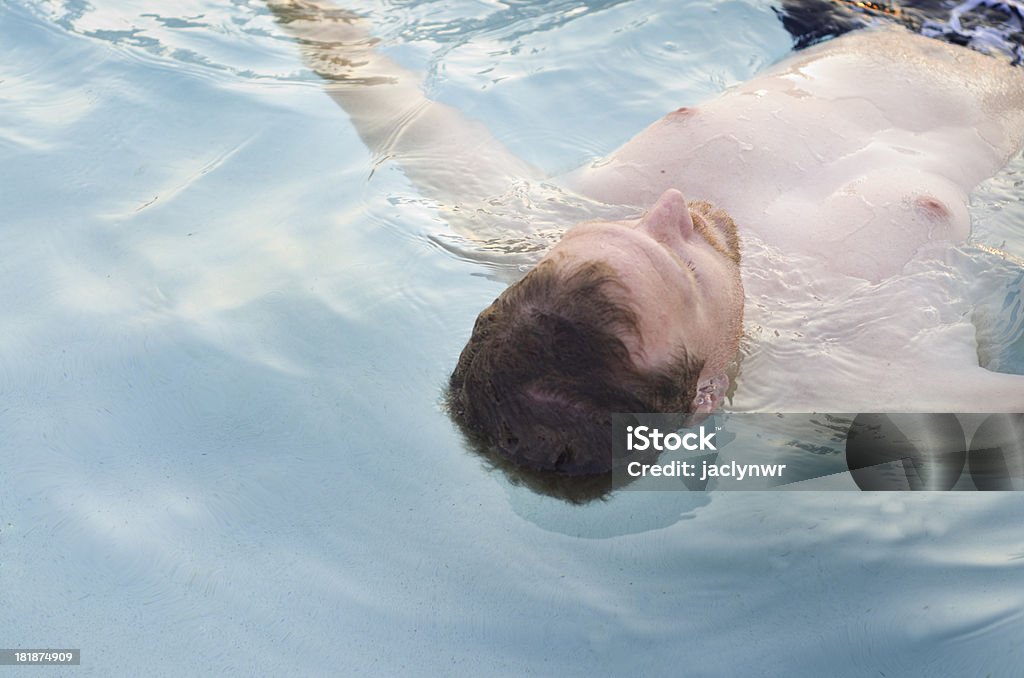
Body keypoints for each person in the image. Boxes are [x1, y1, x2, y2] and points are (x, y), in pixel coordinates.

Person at [268, 0, 1024, 478]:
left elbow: (378, 89)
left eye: (615, 229)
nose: (667, 207)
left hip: (849, 18)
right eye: (684, 267)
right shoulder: (871, 383)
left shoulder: (522, 232)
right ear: (706, 392)